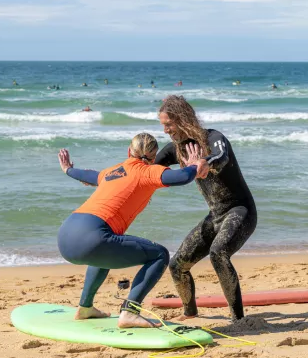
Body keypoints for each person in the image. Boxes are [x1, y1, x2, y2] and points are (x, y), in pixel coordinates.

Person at [57, 133, 204, 328]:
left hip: (66, 235)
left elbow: (87, 175)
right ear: (153, 158)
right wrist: (196, 164)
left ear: (129, 151)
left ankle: (85, 308)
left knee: (104, 253)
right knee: (159, 255)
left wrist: (68, 169)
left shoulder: (112, 172)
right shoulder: (148, 172)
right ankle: (129, 312)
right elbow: (182, 177)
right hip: (93, 238)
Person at [155, 95, 257, 322]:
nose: (165, 131)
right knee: (177, 265)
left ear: (182, 120)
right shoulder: (176, 149)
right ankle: (190, 313)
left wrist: (204, 162)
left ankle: (238, 319)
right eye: (163, 126)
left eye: (168, 125)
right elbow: (149, 169)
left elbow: (221, 156)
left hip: (240, 211)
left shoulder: (214, 138)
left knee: (218, 253)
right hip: (216, 216)